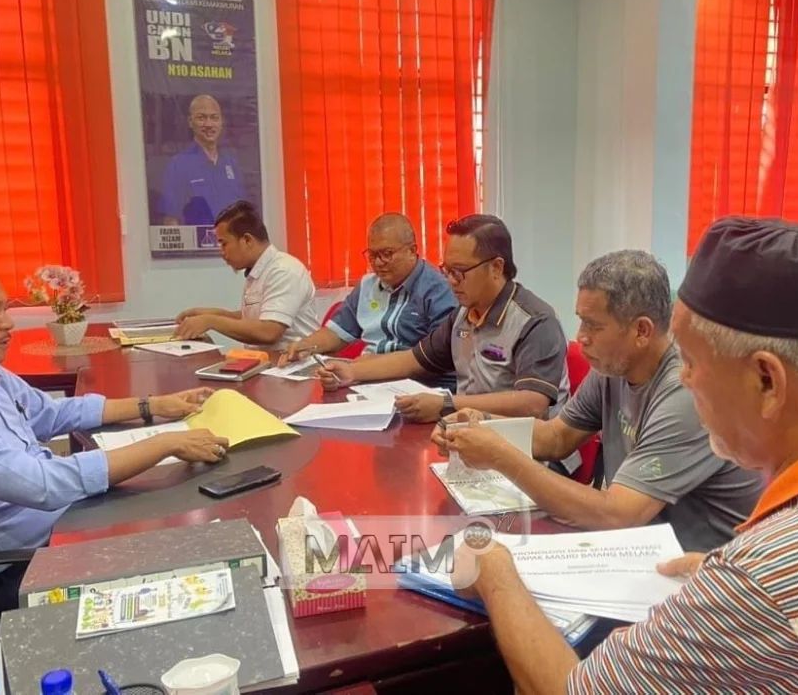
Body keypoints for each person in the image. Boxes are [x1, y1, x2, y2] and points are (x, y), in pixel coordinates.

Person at [453, 217, 798, 693]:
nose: (684, 378)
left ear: (766, 381)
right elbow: (557, 436)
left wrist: (494, 569)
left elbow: (571, 690)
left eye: (693, 362)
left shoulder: (763, 576)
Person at [0, 260, 231, 619]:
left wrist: (153, 405)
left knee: (183, 522)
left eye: (5, 309)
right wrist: (163, 443)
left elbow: (51, 414)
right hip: (20, 569)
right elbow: (42, 485)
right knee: (187, 569)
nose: (8, 323)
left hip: (63, 523)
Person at [434, 250, 761, 552]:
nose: (581, 337)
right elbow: (557, 437)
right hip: (642, 548)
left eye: (593, 325)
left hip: (697, 566)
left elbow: (618, 514)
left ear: (641, 331)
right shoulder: (613, 368)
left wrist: (498, 455)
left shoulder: (685, 393)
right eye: (581, 320)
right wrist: (479, 425)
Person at [317, 215, 569, 423]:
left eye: (459, 272)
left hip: (531, 450)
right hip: (473, 435)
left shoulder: (535, 322)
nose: (450, 281)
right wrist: (351, 371)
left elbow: (532, 404)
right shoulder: (463, 314)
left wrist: (447, 405)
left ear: (496, 267)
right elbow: (414, 359)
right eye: (446, 270)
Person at [280, 213, 456, 362]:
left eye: (387, 254)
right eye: (372, 255)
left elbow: (437, 357)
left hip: (414, 382)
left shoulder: (439, 290)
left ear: (412, 250)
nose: (378, 263)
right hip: (367, 378)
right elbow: (337, 333)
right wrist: (305, 346)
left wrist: (369, 368)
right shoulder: (367, 285)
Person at [176, 201, 320, 348]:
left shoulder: (284, 270)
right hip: (265, 358)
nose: (221, 252)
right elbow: (252, 319)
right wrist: (210, 315)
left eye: (224, 243)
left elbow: (269, 331)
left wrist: (211, 321)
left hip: (294, 360)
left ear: (247, 240)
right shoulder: (258, 270)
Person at [160, 94, 247, 226]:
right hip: (197, 239)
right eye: (201, 118)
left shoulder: (231, 164)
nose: (209, 124)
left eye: (214, 118)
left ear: (221, 122)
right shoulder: (178, 165)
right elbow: (171, 219)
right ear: (190, 121)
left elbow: (243, 213)